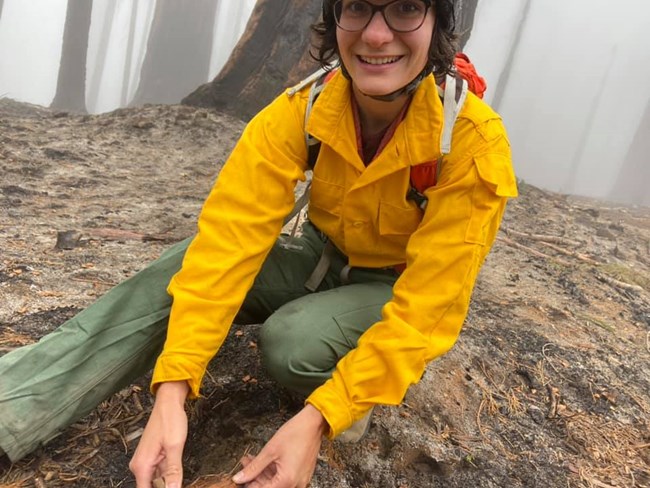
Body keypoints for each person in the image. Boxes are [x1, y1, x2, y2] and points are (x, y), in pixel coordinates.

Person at [0, 0, 517, 486]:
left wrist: (322, 418)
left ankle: (357, 395)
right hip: (319, 259)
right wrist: (173, 389)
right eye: (357, 6)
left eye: (406, 8)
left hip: (390, 287)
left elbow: (430, 304)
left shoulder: (469, 140)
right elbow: (228, 242)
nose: (376, 33)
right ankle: (12, 408)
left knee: (292, 344)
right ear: (334, 17)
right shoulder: (304, 108)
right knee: (182, 267)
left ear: (439, 25)